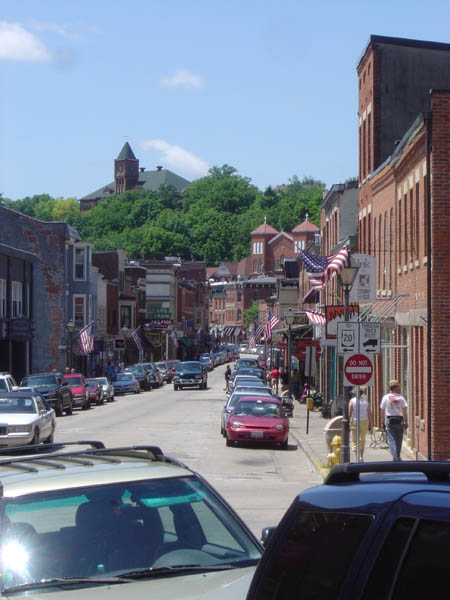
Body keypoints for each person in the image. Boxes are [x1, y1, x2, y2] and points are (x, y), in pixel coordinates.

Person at [380, 379, 408, 461]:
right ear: (396, 387)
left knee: (391, 439)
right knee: (399, 439)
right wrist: (406, 421)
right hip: (399, 419)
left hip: (390, 419)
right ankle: (397, 456)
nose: (399, 389)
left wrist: (382, 421)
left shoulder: (385, 397)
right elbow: (405, 411)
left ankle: (395, 457)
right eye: (398, 387)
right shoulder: (401, 398)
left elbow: (382, 410)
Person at [348, 386, 373, 461]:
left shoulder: (352, 401)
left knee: (354, 439)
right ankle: (361, 456)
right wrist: (371, 424)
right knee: (362, 439)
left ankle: (357, 455)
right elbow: (369, 413)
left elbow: (350, 412)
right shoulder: (366, 402)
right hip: (365, 420)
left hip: (355, 420)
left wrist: (349, 422)